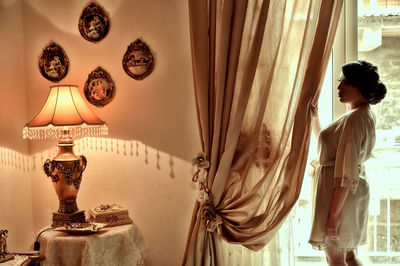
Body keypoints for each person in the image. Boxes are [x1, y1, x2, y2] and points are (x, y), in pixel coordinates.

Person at [308, 60, 387, 266]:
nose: (338, 87)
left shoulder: (355, 119)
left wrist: (333, 215)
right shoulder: (361, 114)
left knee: (334, 258)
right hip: (348, 194)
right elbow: (330, 149)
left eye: (345, 83)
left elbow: (345, 173)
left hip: (340, 197)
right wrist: (314, 118)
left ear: (360, 86)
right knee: (348, 256)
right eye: (339, 82)